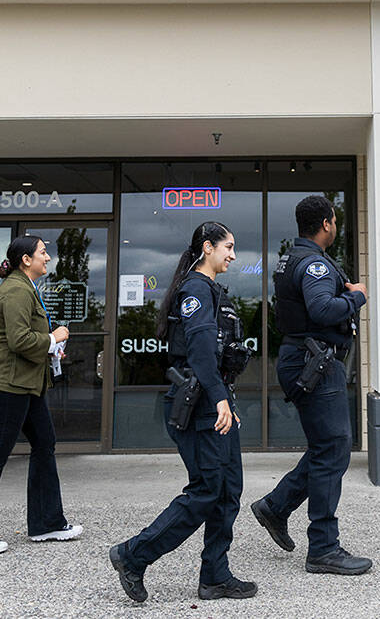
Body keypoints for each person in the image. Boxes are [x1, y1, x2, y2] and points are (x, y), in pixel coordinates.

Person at [110, 221, 256, 603]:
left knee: (227, 491)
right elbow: (200, 351)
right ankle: (132, 556)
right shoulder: (194, 289)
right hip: (199, 405)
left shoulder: (208, 289)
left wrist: (225, 399)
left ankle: (215, 576)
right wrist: (219, 398)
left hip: (213, 401)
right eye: (228, 246)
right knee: (207, 490)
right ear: (207, 247)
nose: (233, 255)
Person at [250, 195, 372, 575]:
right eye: (334, 221)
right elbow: (321, 309)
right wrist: (356, 298)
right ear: (326, 222)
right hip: (314, 361)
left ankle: (276, 506)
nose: (335, 226)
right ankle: (322, 547)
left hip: (303, 358)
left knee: (327, 447)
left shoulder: (293, 258)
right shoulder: (314, 263)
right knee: (334, 448)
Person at [0, 235, 82, 554]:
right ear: (26, 259)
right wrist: (52, 338)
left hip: (26, 385)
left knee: (44, 444)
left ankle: (46, 524)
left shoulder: (26, 288)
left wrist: (51, 350)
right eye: (43, 252)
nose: (48, 258)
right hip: (5, 386)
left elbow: (27, 340)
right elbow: (19, 340)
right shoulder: (14, 289)